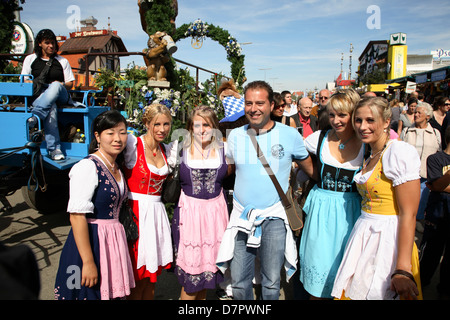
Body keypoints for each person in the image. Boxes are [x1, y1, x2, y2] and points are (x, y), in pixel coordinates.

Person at [216, 80, 314, 300]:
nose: (254, 108)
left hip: (276, 217)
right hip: (242, 216)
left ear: (271, 105)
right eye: (249, 103)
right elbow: (229, 169)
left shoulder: (290, 135)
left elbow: (310, 170)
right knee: (240, 282)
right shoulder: (235, 136)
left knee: (271, 282)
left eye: (260, 103)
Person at [332, 97, 423, 300]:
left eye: (370, 120)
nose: (363, 126)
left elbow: (409, 214)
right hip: (365, 234)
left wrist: (402, 269)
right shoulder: (371, 152)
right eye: (358, 120)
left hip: (388, 239)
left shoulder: (398, 152)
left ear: (386, 121)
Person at [54, 110, 135, 300]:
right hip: (92, 242)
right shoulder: (87, 167)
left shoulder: (115, 166)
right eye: (110, 133)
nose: (117, 139)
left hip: (112, 241)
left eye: (122, 133)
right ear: (97, 136)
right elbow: (76, 216)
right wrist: (88, 262)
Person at [298, 89, 364, 299]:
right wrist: (312, 171)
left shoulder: (367, 143)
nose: (335, 120)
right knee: (318, 274)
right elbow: (295, 149)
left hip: (352, 213)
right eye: (332, 114)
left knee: (348, 276)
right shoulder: (320, 138)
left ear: (354, 114)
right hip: (321, 213)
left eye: (342, 115)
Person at [170, 105, 231, 300]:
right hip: (190, 218)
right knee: (191, 282)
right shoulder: (179, 150)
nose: (202, 129)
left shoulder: (226, 150)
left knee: (205, 280)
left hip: (215, 217)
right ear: (190, 128)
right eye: (197, 125)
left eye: (207, 124)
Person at [124, 103, 173, 300]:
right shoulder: (133, 146)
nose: (162, 129)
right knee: (137, 276)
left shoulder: (167, 150)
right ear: (146, 123)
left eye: (167, 124)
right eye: (157, 124)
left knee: (152, 279)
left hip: (156, 215)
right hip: (137, 213)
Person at [21, 29, 76, 161]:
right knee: (51, 108)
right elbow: (23, 79)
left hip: (60, 94)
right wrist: (32, 82)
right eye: (47, 43)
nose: (51, 46)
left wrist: (59, 85)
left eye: (53, 43)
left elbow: (70, 83)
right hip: (40, 95)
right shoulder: (30, 59)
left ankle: (36, 116)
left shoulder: (62, 61)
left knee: (55, 85)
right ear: (39, 44)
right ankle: (54, 149)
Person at [419, 126, 450, 297]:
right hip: (436, 218)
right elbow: (436, 185)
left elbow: (438, 186)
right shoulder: (436, 159)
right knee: (430, 256)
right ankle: (419, 288)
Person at [400, 102, 441, 222]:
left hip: (426, 174)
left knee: (422, 200)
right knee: (407, 200)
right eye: (415, 112)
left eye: (419, 112)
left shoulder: (435, 133)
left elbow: (438, 153)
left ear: (428, 116)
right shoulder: (407, 131)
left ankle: (418, 220)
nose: (416, 114)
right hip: (408, 173)